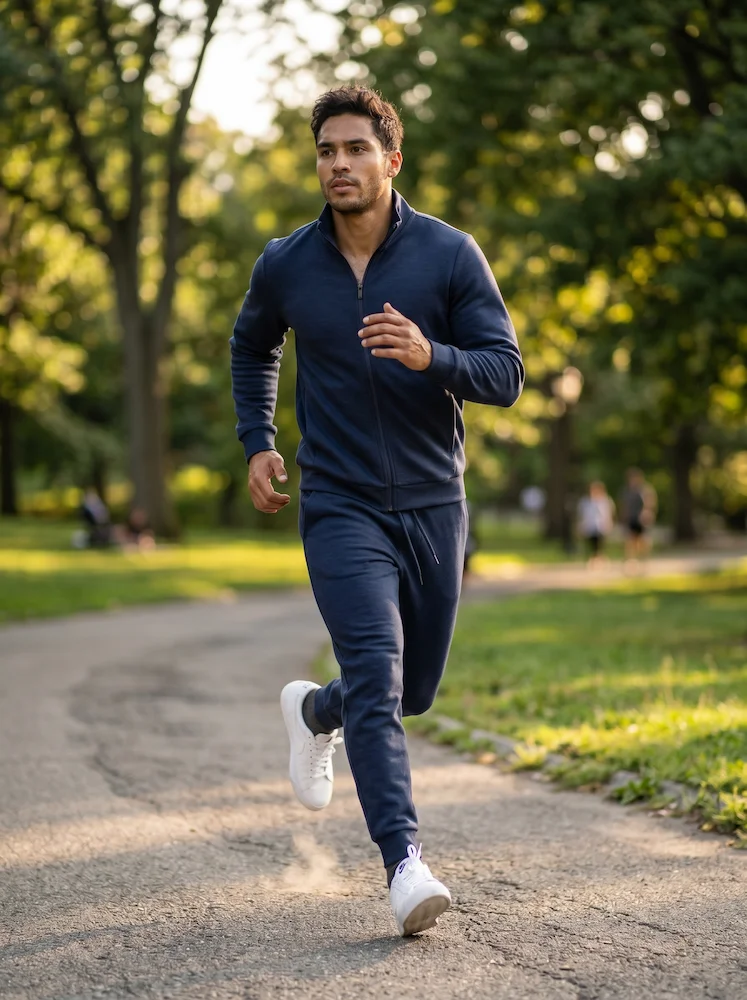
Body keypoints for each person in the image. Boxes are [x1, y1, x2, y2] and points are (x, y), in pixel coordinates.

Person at [230, 87, 523, 937]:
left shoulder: (447, 254)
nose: (338, 164)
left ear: (391, 160)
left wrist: (433, 355)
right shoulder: (285, 262)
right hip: (338, 501)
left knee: (410, 691)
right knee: (379, 673)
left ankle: (316, 709)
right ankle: (404, 864)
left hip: (434, 505)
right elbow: (253, 344)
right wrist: (257, 438)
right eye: (326, 151)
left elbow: (505, 373)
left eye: (355, 149)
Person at [621, 468, 657, 562]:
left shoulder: (645, 490)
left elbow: (650, 503)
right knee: (630, 540)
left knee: (643, 541)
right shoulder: (626, 491)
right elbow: (624, 505)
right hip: (631, 518)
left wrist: (648, 514)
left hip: (642, 519)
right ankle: (631, 560)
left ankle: (643, 559)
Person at [577, 481, 615, 566]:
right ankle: (594, 560)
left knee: (600, 544)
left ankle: (600, 560)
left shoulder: (605, 501)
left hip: (601, 526)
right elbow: (583, 515)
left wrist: (609, 523)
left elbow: (608, 514)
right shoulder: (586, 502)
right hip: (590, 527)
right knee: (592, 544)